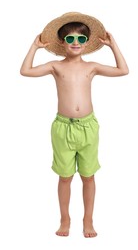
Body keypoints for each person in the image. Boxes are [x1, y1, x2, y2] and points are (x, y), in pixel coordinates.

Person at [20, 12, 129, 238]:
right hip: (63, 128)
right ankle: (64, 218)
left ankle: (88, 219)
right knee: (65, 177)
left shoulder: (91, 67)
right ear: (62, 42)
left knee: (88, 176)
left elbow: (123, 70)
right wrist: (34, 46)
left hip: (88, 128)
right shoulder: (55, 66)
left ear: (87, 43)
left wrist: (112, 45)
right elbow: (25, 71)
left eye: (80, 39)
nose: (76, 43)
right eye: (70, 39)